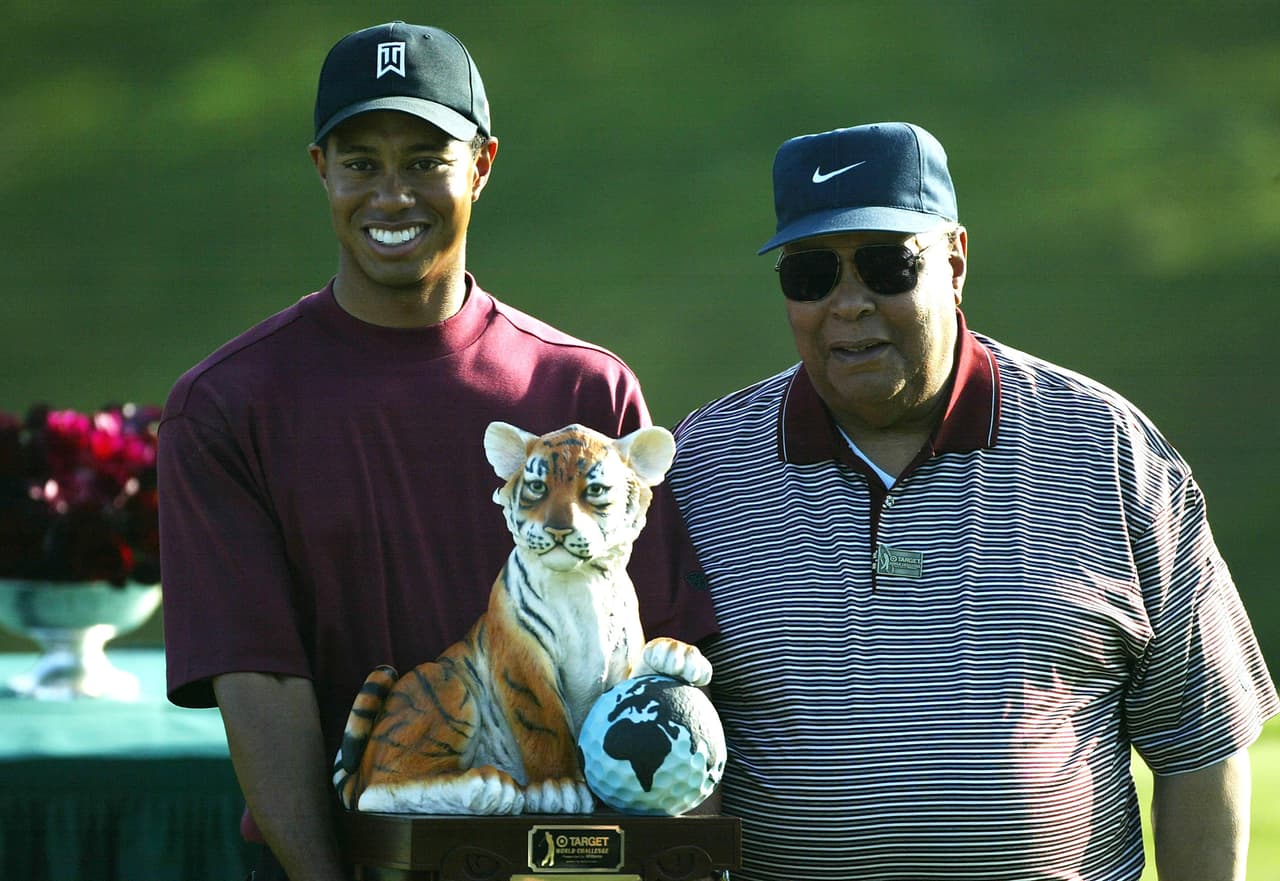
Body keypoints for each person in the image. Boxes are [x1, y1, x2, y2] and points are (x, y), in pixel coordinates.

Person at [158, 22, 716, 881]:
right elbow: (260, 686)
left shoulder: (586, 392)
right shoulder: (226, 405)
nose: (392, 196)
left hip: (570, 866)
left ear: (482, 166)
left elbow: (668, 670)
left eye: (425, 160)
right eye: (361, 163)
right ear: (321, 170)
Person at [668, 122, 1279, 881]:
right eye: (812, 273)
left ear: (955, 262)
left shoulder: (1108, 451)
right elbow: (653, 746)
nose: (848, 303)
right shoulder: (702, 466)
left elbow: (1200, 739)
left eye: (888, 265)